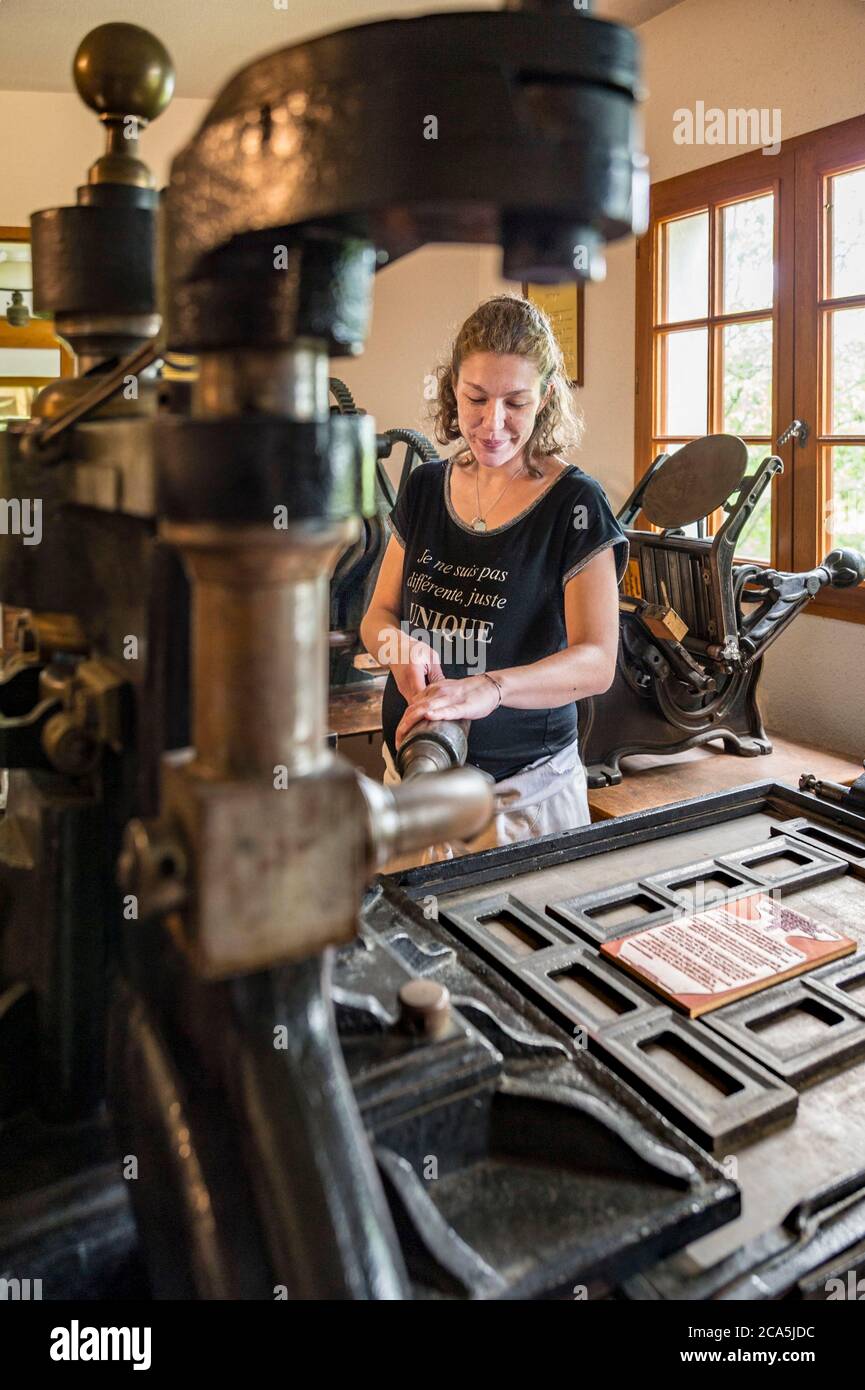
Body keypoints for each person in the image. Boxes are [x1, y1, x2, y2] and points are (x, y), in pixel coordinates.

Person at [359, 294, 629, 862]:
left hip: (519, 800)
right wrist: (395, 647)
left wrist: (490, 688)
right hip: (412, 783)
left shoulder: (574, 505)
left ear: (547, 397)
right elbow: (377, 617)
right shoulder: (426, 487)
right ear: (451, 386)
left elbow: (598, 662)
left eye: (516, 403)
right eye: (475, 399)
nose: (492, 424)